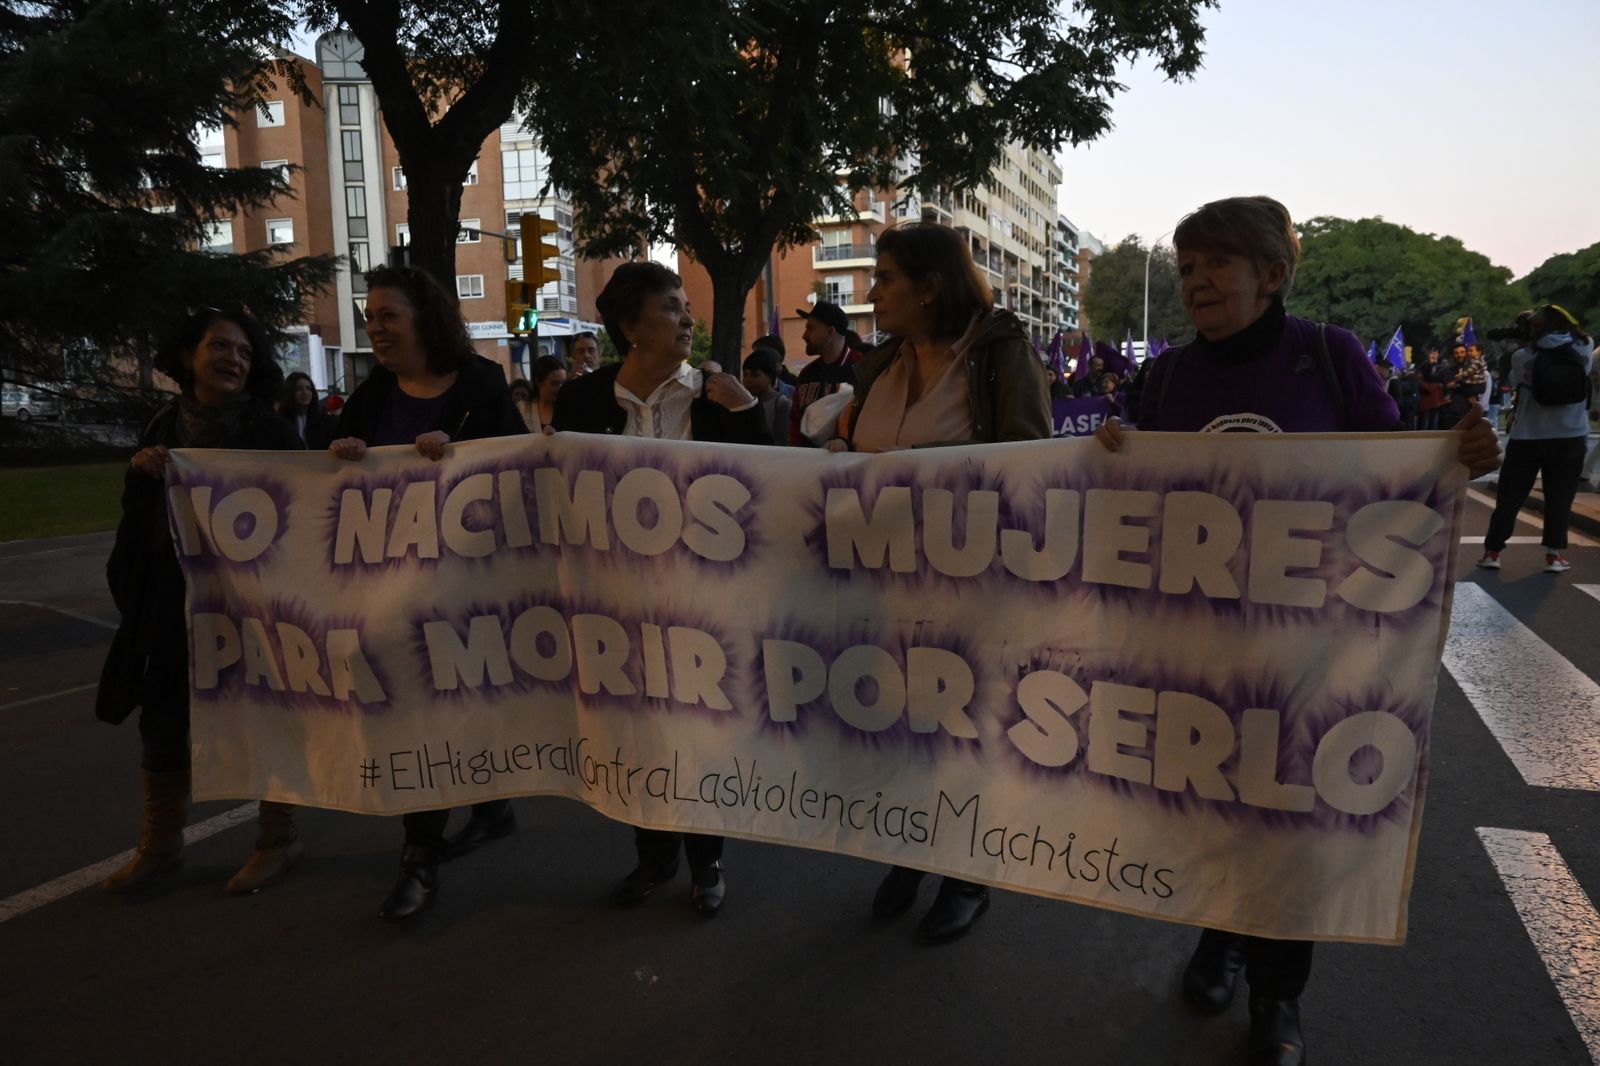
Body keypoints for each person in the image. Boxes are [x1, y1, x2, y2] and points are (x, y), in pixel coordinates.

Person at [1095, 196, 1499, 1066]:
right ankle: (1220, 936)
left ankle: (1279, 998)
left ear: (1272, 275)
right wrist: (1111, 450)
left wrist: (1458, 456)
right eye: (1188, 265)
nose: (1197, 280)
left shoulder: (1329, 357)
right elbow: (1137, 500)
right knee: (1211, 807)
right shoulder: (1166, 377)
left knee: (1287, 817)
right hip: (1201, 647)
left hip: (1313, 647)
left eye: (1217, 264)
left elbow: (1393, 476)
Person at [823, 221, 1050, 943]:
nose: (873, 291)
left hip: (970, 594)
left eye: (886, 278)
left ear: (931, 287)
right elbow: (863, 450)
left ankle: (967, 873)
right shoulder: (882, 363)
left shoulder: (998, 353)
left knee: (964, 736)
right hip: (882, 592)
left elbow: (1031, 465)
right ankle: (910, 849)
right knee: (901, 735)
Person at [553, 261, 769, 915]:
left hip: (703, 607)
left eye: (685, 306)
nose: (688, 318)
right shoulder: (582, 403)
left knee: (699, 734)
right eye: (673, 307)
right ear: (630, 326)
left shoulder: (714, 398)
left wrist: (750, 412)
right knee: (636, 735)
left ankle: (707, 863)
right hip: (616, 608)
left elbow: (768, 489)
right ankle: (652, 857)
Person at [327, 265, 528, 920]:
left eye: (388, 314)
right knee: (418, 711)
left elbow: (519, 464)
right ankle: (437, 838)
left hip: (469, 588)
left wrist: (464, 450)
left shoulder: (481, 385)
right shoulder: (372, 394)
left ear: (424, 319)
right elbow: (315, 468)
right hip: (391, 593)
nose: (376, 327)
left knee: (448, 707)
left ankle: (427, 849)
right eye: (371, 315)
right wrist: (343, 451)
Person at [97, 308, 303, 896]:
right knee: (163, 718)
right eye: (220, 347)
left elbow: (306, 511)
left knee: (265, 714)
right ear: (188, 356)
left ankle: (278, 838)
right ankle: (160, 847)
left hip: (253, 604)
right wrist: (140, 475)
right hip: (172, 602)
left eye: (243, 351)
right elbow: (137, 519)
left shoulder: (270, 432)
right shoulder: (163, 425)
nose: (233, 359)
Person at [1478, 305, 1593, 573]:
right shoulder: (1584, 346)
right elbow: (1578, 330)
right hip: (1570, 436)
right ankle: (1554, 556)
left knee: (1510, 498)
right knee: (1560, 497)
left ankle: (1492, 552)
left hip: (1528, 436)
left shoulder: (1521, 357)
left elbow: (1517, 381)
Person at [790, 301, 864, 445]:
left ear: (831, 331)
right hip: (808, 462)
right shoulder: (807, 373)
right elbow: (795, 423)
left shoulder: (863, 367)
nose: (804, 335)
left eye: (810, 328)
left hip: (851, 461)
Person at [741, 345, 792, 444]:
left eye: (755, 375)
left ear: (769, 377)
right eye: (745, 375)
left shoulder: (782, 404)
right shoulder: (743, 402)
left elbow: (782, 442)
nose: (748, 380)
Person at [278, 371, 334, 450]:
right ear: (290, 392)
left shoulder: (323, 420)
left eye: (308, 388)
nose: (305, 393)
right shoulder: (282, 420)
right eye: (299, 389)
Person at [525, 355, 567, 434]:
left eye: (563, 383)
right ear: (538, 382)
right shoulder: (523, 409)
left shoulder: (569, 408)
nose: (561, 388)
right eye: (554, 384)